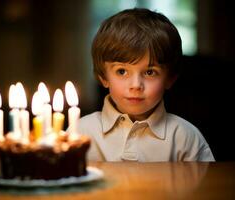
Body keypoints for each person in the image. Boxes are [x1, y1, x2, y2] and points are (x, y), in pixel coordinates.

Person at [77, 8, 215, 162]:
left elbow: (204, 185)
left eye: (150, 72)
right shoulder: (79, 133)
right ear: (103, 77)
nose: (136, 85)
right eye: (122, 71)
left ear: (170, 79)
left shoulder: (186, 137)